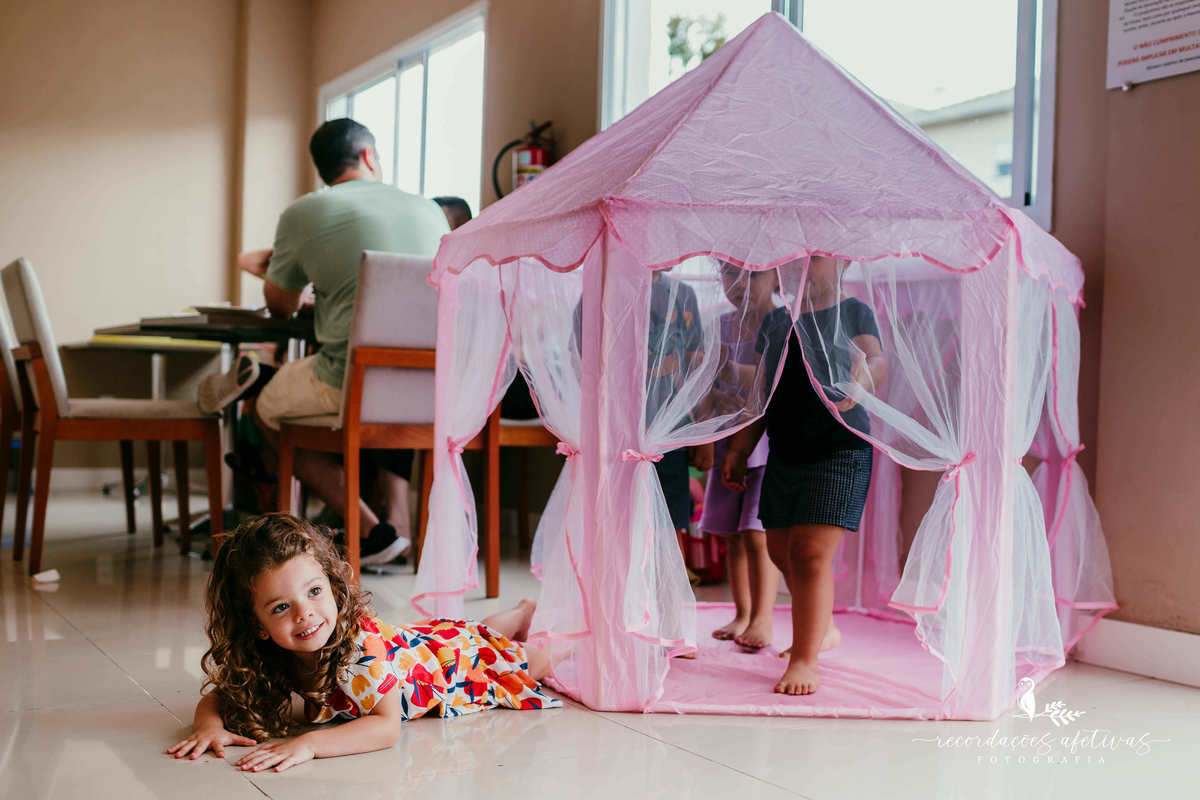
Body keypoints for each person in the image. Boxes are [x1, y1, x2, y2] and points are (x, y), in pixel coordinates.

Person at [166, 514, 559, 772]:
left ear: (334, 588)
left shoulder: (359, 650)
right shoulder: (265, 657)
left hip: (445, 667)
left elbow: (387, 727)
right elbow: (220, 697)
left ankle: (557, 624)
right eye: (282, 607)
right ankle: (522, 611)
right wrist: (209, 727)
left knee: (523, 662)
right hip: (422, 645)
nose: (305, 613)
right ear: (257, 626)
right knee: (473, 630)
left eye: (315, 591)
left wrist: (311, 745)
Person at [236, 119, 450, 564]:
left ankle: (371, 529)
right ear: (369, 156)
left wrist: (285, 275)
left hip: (348, 380)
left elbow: (281, 305)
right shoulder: (430, 209)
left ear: (323, 171)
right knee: (361, 394)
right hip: (433, 384)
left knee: (264, 412)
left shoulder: (306, 211)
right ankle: (397, 533)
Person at [722, 256, 886, 695]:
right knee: (780, 551)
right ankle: (823, 625)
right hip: (785, 450)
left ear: (843, 263)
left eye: (814, 261)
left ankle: (805, 656)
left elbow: (875, 357)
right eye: (794, 262)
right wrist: (739, 448)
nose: (802, 270)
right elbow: (763, 394)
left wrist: (861, 380)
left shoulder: (854, 312)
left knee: (811, 555)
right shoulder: (776, 321)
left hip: (839, 448)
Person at [701, 264, 779, 649]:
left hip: (764, 442)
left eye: (752, 275)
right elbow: (706, 380)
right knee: (733, 534)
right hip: (725, 438)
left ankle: (763, 617)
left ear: (777, 277)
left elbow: (771, 376)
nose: (739, 285)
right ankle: (742, 611)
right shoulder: (721, 326)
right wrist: (714, 399)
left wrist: (730, 370)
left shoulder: (782, 323)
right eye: (730, 273)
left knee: (757, 532)